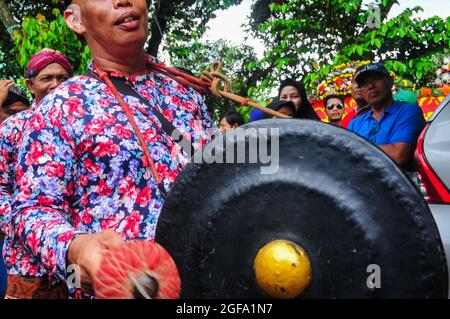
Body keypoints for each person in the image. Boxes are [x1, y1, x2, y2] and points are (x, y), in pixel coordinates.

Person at [5, 0, 215, 299]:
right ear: (76, 19)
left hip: (204, 283)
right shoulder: (63, 105)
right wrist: (76, 248)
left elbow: (218, 177)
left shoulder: (186, 96)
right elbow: (31, 210)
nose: (123, 1)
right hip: (119, 289)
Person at [0, 49, 73, 299]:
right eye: (47, 78)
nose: (55, 85)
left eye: (63, 78)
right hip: (27, 261)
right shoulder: (12, 128)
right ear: (31, 85)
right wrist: (27, 228)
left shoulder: (85, 125)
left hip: (77, 256)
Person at [348, 63, 425, 167]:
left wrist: (355, 147)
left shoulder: (408, 112)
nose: (371, 86)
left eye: (376, 79)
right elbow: (344, 156)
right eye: (365, 83)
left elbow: (398, 155)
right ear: (361, 90)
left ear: (390, 81)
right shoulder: (355, 123)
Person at [249, 78, 319, 122]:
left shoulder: (314, 124)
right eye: (284, 97)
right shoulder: (267, 119)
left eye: (294, 96)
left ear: (303, 99)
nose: (288, 100)